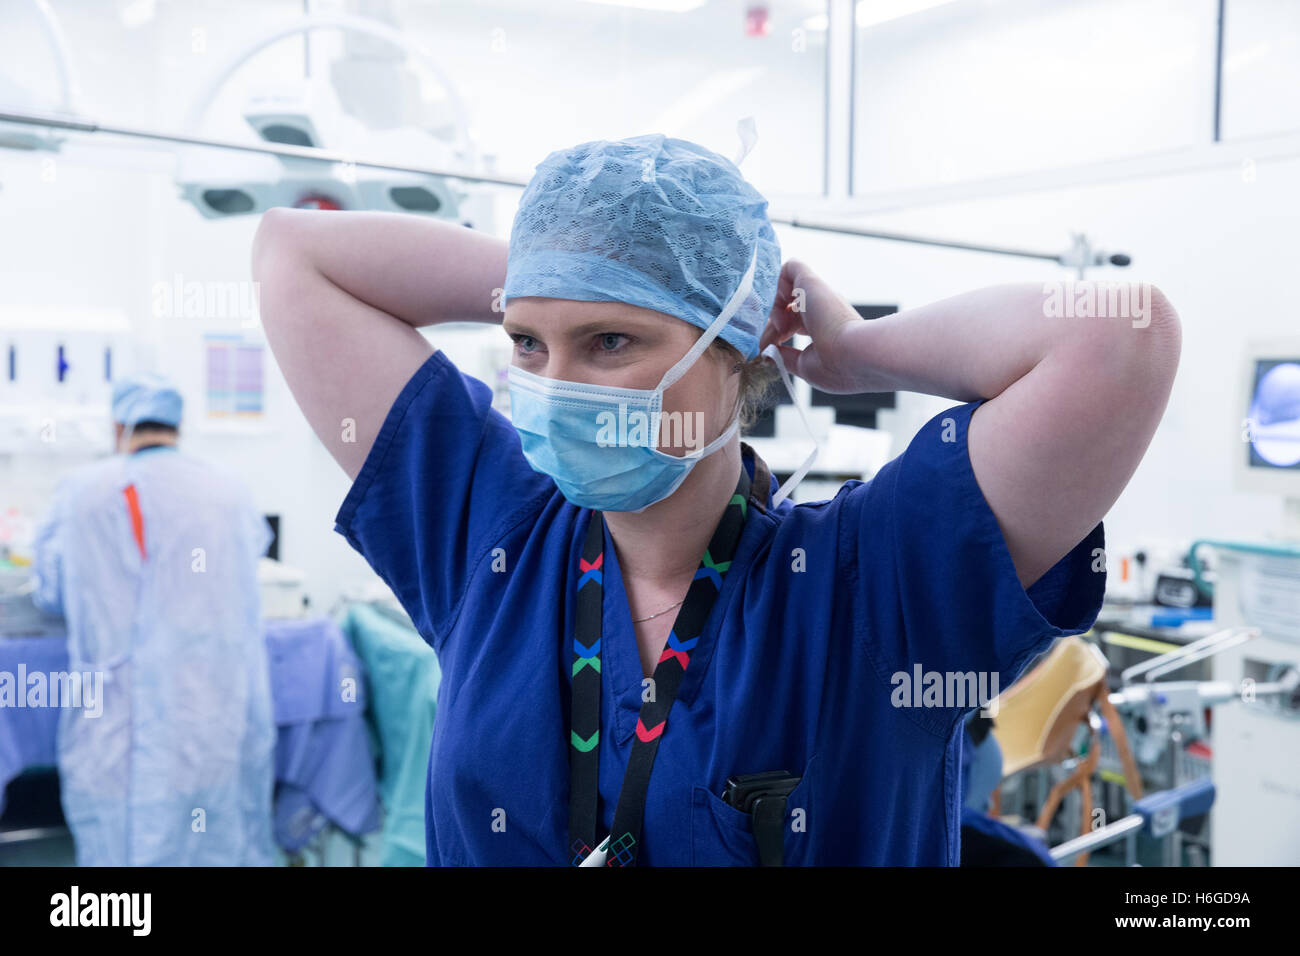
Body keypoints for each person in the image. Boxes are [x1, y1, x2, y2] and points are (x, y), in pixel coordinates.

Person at [252, 133, 1181, 866]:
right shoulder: (491, 539)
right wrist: (576, 264)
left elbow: (1124, 338)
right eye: (528, 343)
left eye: (611, 341)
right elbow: (292, 253)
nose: (557, 383)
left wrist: (856, 352)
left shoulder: (878, 589)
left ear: (733, 350)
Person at [31, 372, 276, 866]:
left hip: (116, 721)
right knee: (212, 835)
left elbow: (52, 593)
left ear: (118, 426)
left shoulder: (80, 493)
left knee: (119, 850)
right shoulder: (228, 491)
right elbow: (248, 568)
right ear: (178, 425)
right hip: (211, 707)